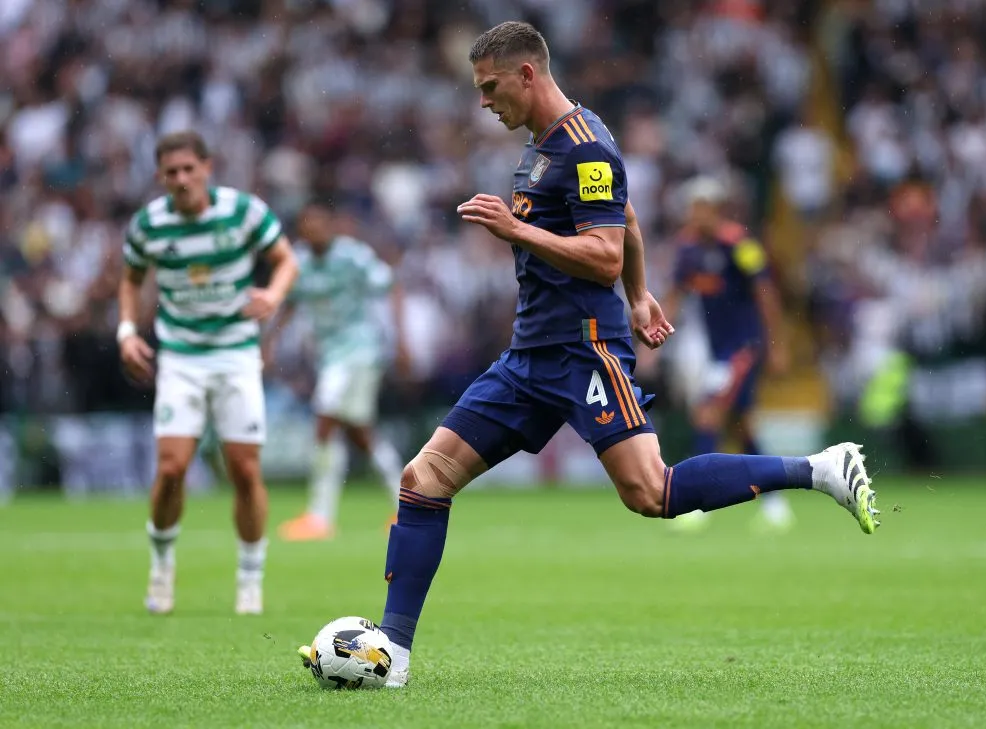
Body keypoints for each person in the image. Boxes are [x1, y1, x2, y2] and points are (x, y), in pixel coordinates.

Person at [311, 21, 877, 687]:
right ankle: (394, 656)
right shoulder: (542, 145)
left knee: (651, 491)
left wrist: (522, 232)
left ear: (527, 74)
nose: (484, 101)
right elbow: (628, 224)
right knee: (422, 479)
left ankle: (820, 468)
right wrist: (642, 295)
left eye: (491, 87)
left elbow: (605, 250)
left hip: (584, 351)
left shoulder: (587, 147)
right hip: (528, 356)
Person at [119, 130, 298, 616]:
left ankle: (250, 576)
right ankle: (161, 566)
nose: (180, 179)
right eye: (171, 172)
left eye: (188, 170)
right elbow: (131, 281)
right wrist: (127, 331)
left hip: (236, 354)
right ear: (160, 176)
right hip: (180, 357)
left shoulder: (244, 211)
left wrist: (273, 296)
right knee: (172, 468)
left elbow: (285, 261)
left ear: (206, 168)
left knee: (244, 470)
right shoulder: (150, 224)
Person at [264, 202, 409, 541]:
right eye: (307, 225)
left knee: (325, 418)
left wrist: (403, 343)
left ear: (330, 226)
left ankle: (319, 516)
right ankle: (407, 506)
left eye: (319, 224)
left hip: (359, 351)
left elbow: (392, 285)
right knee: (360, 433)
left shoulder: (352, 256)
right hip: (330, 356)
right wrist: (269, 343)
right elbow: (291, 301)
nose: (314, 231)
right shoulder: (297, 261)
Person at [662, 176, 794, 532]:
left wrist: (777, 347)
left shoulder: (740, 245)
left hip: (742, 349)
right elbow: (676, 294)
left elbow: (766, 294)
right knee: (743, 426)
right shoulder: (688, 248)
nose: (694, 215)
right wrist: (656, 329)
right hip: (716, 351)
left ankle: (693, 502)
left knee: (708, 415)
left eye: (700, 208)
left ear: (715, 208)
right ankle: (776, 503)